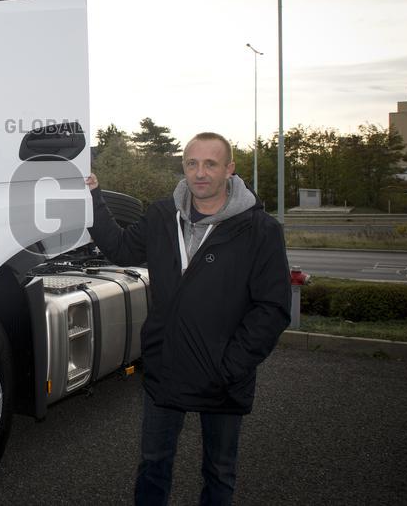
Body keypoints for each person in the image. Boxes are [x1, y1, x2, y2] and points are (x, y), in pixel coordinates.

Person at [84, 132, 290, 506]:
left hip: (224, 376)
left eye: (210, 163)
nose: (200, 173)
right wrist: (93, 198)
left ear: (229, 168)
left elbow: (272, 308)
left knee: (219, 472)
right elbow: (120, 247)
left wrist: (232, 364)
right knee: (153, 464)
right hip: (168, 367)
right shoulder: (163, 215)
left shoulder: (260, 230)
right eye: (192, 163)